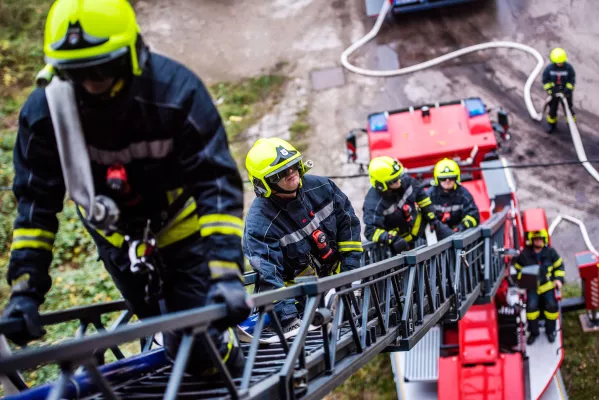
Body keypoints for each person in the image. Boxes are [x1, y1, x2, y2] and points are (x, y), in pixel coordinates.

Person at [2, 0, 250, 374]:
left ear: (133, 55)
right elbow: (36, 206)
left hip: (181, 231)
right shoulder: (45, 115)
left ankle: (225, 358)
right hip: (118, 239)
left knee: (198, 350)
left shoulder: (177, 95)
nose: (90, 85)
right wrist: (24, 291)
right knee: (154, 318)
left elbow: (215, 184)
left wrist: (225, 272)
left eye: (101, 72)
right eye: (76, 74)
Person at [243, 138, 363, 339]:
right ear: (263, 183)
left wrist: (349, 273)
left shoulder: (322, 187)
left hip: (340, 284)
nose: (291, 173)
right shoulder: (259, 223)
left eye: (292, 166)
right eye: (281, 173)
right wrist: (290, 319)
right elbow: (269, 274)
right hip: (302, 303)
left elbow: (348, 223)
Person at [363, 156, 453, 253]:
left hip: (421, 228)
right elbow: (370, 231)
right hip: (400, 244)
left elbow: (420, 194)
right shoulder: (374, 203)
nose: (399, 181)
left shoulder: (404, 180)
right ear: (381, 185)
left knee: (454, 240)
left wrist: (430, 214)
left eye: (399, 176)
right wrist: (391, 238)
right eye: (394, 180)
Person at [514, 229, 564, 344]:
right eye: (536, 239)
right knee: (531, 308)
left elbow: (559, 266)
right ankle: (533, 332)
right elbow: (516, 268)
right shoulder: (525, 254)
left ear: (544, 240)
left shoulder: (551, 252)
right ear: (532, 240)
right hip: (533, 288)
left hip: (548, 286)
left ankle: (550, 331)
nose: (538, 241)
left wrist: (558, 280)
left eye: (540, 239)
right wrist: (522, 279)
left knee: (551, 306)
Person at [428, 158, 480, 232]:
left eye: (451, 178)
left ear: (456, 178)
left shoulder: (464, 195)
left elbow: (474, 216)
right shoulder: (430, 195)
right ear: (437, 179)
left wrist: (462, 227)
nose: (447, 181)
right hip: (436, 236)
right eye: (443, 178)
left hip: (460, 236)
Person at [542, 47, 576, 133]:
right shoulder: (549, 69)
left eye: (561, 62)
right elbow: (545, 80)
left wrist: (567, 90)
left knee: (568, 109)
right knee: (552, 110)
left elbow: (571, 80)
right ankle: (551, 125)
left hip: (566, 94)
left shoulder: (568, 68)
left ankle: (572, 126)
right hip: (553, 93)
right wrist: (551, 91)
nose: (560, 64)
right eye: (558, 62)